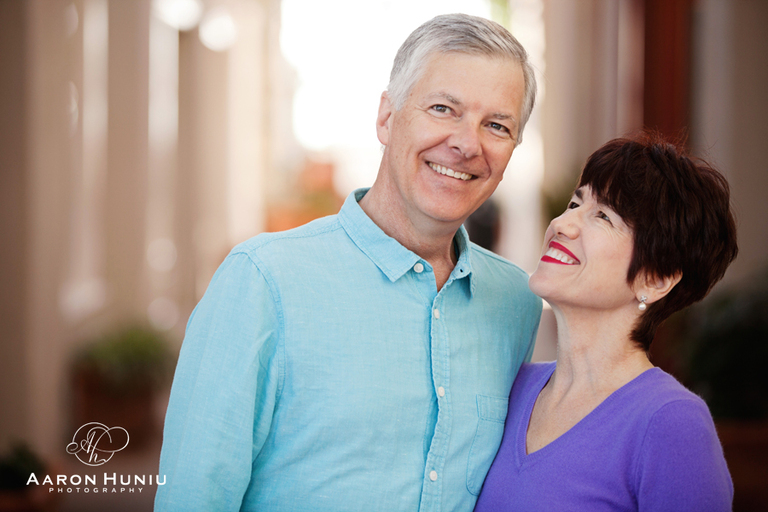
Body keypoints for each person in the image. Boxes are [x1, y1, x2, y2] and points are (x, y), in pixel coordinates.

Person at [155, 14, 542, 512]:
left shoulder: (515, 302)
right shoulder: (263, 281)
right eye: (443, 109)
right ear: (386, 118)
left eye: (497, 125)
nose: (468, 144)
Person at [474, 133, 737, 512]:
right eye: (575, 203)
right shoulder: (511, 387)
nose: (563, 223)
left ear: (655, 279)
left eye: (603, 216)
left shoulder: (672, 424)